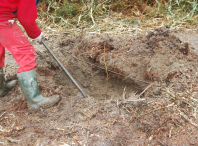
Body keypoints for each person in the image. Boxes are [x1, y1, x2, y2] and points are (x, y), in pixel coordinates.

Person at [0, 0, 60, 112]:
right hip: (2, 21)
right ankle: (35, 101)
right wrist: (35, 33)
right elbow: (25, 17)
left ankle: (1, 88)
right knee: (26, 54)